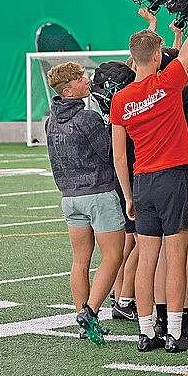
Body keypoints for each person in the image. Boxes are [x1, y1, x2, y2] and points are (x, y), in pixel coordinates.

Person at [111, 0, 188, 353]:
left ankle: (146, 332)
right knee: (176, 256)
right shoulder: (168, 83)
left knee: (147, 259)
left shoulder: (120, 100)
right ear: (156, 57)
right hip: (174, 179)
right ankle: (175, 332)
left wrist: (129, 194)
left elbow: (120, 154)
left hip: (143, 181)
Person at [45, 62, 126, 345]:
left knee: (80, 261)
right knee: (114, 256)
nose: (86, 80)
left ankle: (83, 320)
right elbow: (108, 153)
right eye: (80, 79)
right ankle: (90, 312)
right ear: (68, 90)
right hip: (98, 194)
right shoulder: (87, 118)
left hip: (70, 199)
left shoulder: (50, 120)